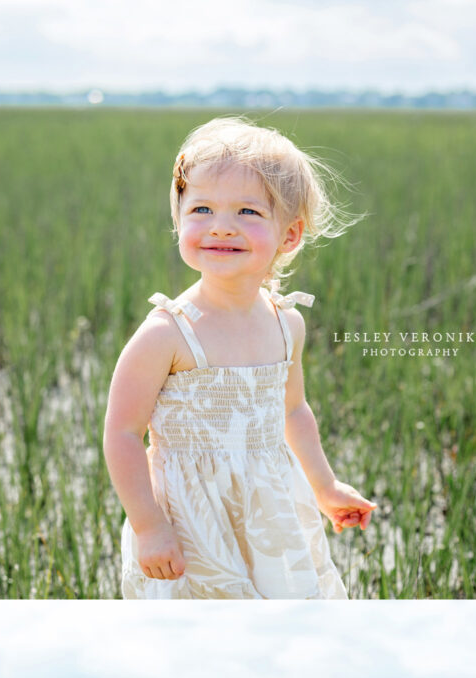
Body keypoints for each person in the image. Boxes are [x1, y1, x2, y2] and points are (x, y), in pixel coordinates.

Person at [103, 116, 376, 600]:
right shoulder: (167, 333)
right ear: (179, 221)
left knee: (279, 624)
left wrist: (325, 486)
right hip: (191, 522)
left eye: (248, 212)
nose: (221, 227)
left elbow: (293, 411)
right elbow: (123, 433)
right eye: (202, 209)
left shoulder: (286, 323)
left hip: (270, 511)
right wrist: (148, 527)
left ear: (289, 235)